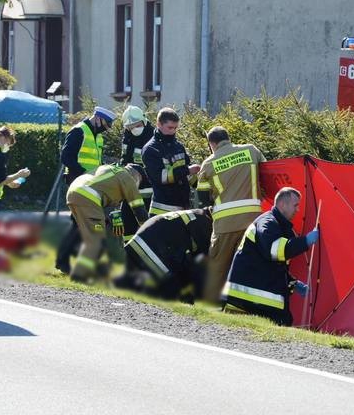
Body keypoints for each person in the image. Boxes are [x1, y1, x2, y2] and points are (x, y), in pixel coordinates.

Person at [222, 187, 318, 326]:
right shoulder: (267, 222)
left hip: (255, 295)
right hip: (248, 298)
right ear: (282, 204)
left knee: (283, 323)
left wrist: (292, 283)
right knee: (282, 324)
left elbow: (273, 265)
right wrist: (305, 241)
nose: (297, 210)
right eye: (295, 205)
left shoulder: (280, 226)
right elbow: (275, 250)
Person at [196, 126, 266, 303]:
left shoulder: (209, 163)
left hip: (224, 225)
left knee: (217, 267)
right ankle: (242, 306)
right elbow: (268, 174)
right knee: (246, 266)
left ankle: (210, 306)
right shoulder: (251, 150)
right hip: (252, 222)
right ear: (228, 138)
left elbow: (203, 198)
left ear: (212, 144)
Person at [55, 106, 116, 273]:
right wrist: (84, 174)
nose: (106, 128)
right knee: (80, 223)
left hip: (91, 184)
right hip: (78, 182)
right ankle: (64, 260)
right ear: (97, 118)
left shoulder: (98, 137)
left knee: (81, 223)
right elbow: (66, 157)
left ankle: (67, 258)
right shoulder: (78, 131)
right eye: (105, 124)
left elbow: (95, 161)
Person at [66, 163, 148, 282]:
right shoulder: (128, 177)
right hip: (88, 197)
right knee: (96, 240)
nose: (138, 186)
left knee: (91, 238)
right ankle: (79, 277)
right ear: (137, 176)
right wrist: (146, 228)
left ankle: (86, 272)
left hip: (73, 193)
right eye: (140, 182)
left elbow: (103, 192)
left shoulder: (111, 170)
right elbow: (138, 208)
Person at [124, 207, 212, 301]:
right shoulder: (203, 222)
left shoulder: (196, 215)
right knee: (172, 291)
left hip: (140, 245)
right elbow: (208, 258)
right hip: (149, 249)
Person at [141, 107, 199, 216]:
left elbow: (188, 175)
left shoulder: (178, 146)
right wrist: (187, 170)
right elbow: (160, 177)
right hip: (163, 209)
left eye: (176, 128)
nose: (173, 131)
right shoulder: (151, 149)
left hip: (183, 206)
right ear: (159, 124)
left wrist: (201, 185)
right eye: (170, 127)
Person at [119, 105, 155, 242]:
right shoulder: (127, 137)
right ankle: (129, 256)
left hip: (148, 193)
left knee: (147, 229)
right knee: (127, 226)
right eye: (130, 127)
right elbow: (124, 158)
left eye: (137, 125)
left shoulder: (153, 137)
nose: (134, 129)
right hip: (129, 190)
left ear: (144, 121)